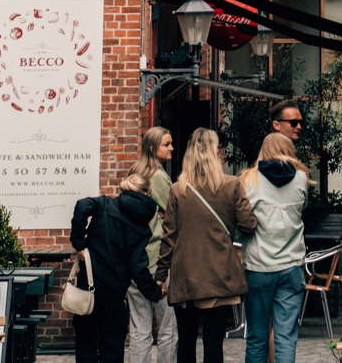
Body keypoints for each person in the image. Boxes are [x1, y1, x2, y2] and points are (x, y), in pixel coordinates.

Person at [155, 128, 257, 363]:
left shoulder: (177, 190)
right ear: (215, 153)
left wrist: (160, 276)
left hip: (186, 276)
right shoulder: (232, 185)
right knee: (213, 342)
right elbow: (249, 224)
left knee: (187, 341)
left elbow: (168, 237)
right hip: (220, 274)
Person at [70, 174, 164, 363]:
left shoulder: (105, 204)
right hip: (115, 292)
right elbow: (138, 268)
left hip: (89, 285)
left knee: (86, 343)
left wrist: (79, 243)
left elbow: (82, 205)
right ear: (147, 193)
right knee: (112, 348)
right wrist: (156, 292)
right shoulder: (142, 227)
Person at [241, 132, 311, 363]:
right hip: (291, 266)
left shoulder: (248, 179)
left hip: (258, 266)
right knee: (286, 337)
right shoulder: (301, 178)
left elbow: (241, 220)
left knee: (256, 338)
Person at [126, 127, 177, 363]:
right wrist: (167, 215)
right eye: (166, 144)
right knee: (168, 328)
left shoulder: (134, 173)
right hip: (158, 259)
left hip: (134, 261)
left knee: (139, 329)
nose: (171, 148)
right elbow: (178, 214)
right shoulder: (158, 176)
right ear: (152, 148)